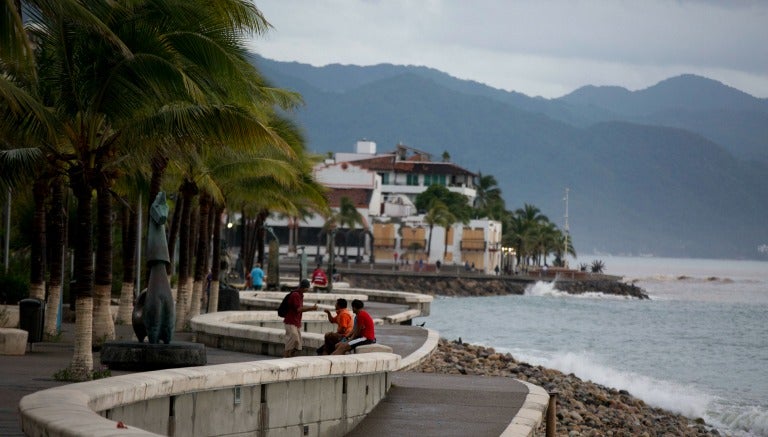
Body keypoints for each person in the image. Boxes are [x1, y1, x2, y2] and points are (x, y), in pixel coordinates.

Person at [282, 279, 318, 357]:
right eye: (307, 288)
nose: (308, 290)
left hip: (296, 322)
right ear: (304, 287)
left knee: (298, 343)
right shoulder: (295, 295)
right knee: (293, 338)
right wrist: (311, 308)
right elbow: (298, 309)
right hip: (290, 321)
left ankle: (290, 356)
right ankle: (286, 356)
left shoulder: (300, 295)